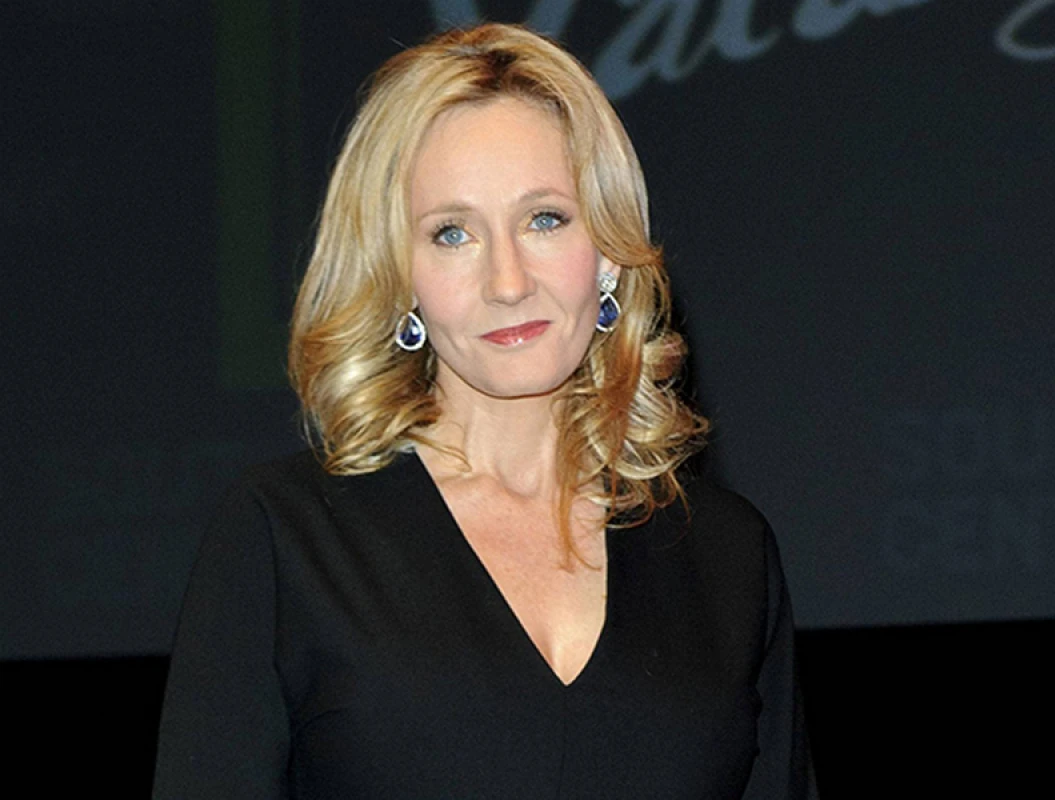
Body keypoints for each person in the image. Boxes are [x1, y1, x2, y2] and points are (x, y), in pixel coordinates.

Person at [154, 22, 810, 799]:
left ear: (608, 249)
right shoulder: (287, 542)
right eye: (453, 233)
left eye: (544, 219)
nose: (507, 282)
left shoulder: (728, 557)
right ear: (399, 274)